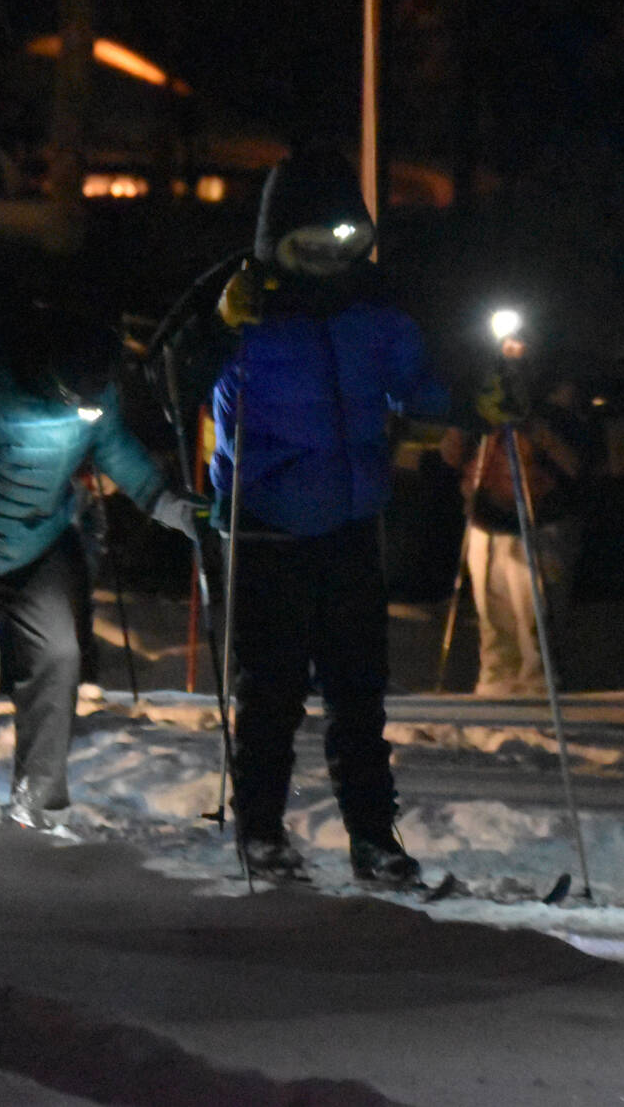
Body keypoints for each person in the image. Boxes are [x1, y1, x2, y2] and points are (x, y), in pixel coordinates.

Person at [210, 142, 450, 886]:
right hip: (268, 527)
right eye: (310, 243)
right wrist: (219, 327)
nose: (328, 258)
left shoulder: (371, 315)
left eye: (343, 242)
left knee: (358, 691)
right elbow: (173, 370)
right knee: (273, 691)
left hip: (350, 523)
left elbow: (424, 387)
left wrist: (474, 399)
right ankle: (260, 829)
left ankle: (373, 836)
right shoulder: (249, 312)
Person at [0, 311, 202, 825]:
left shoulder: (95, 394)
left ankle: (39, 804)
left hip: (36, 537)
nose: (85, 407)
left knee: (57, 655)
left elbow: (127, 462)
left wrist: (177, 509)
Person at [439, 336, 594, 698]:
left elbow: (576, 464)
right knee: (494, 619)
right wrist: (463, 423)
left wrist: (533, 428)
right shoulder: (484, 405)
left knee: (534, 618)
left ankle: (538, 690)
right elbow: (451, 456)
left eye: (518, 355)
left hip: (540, 523)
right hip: (488, 521)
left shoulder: (556, 407)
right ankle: (495, 686)